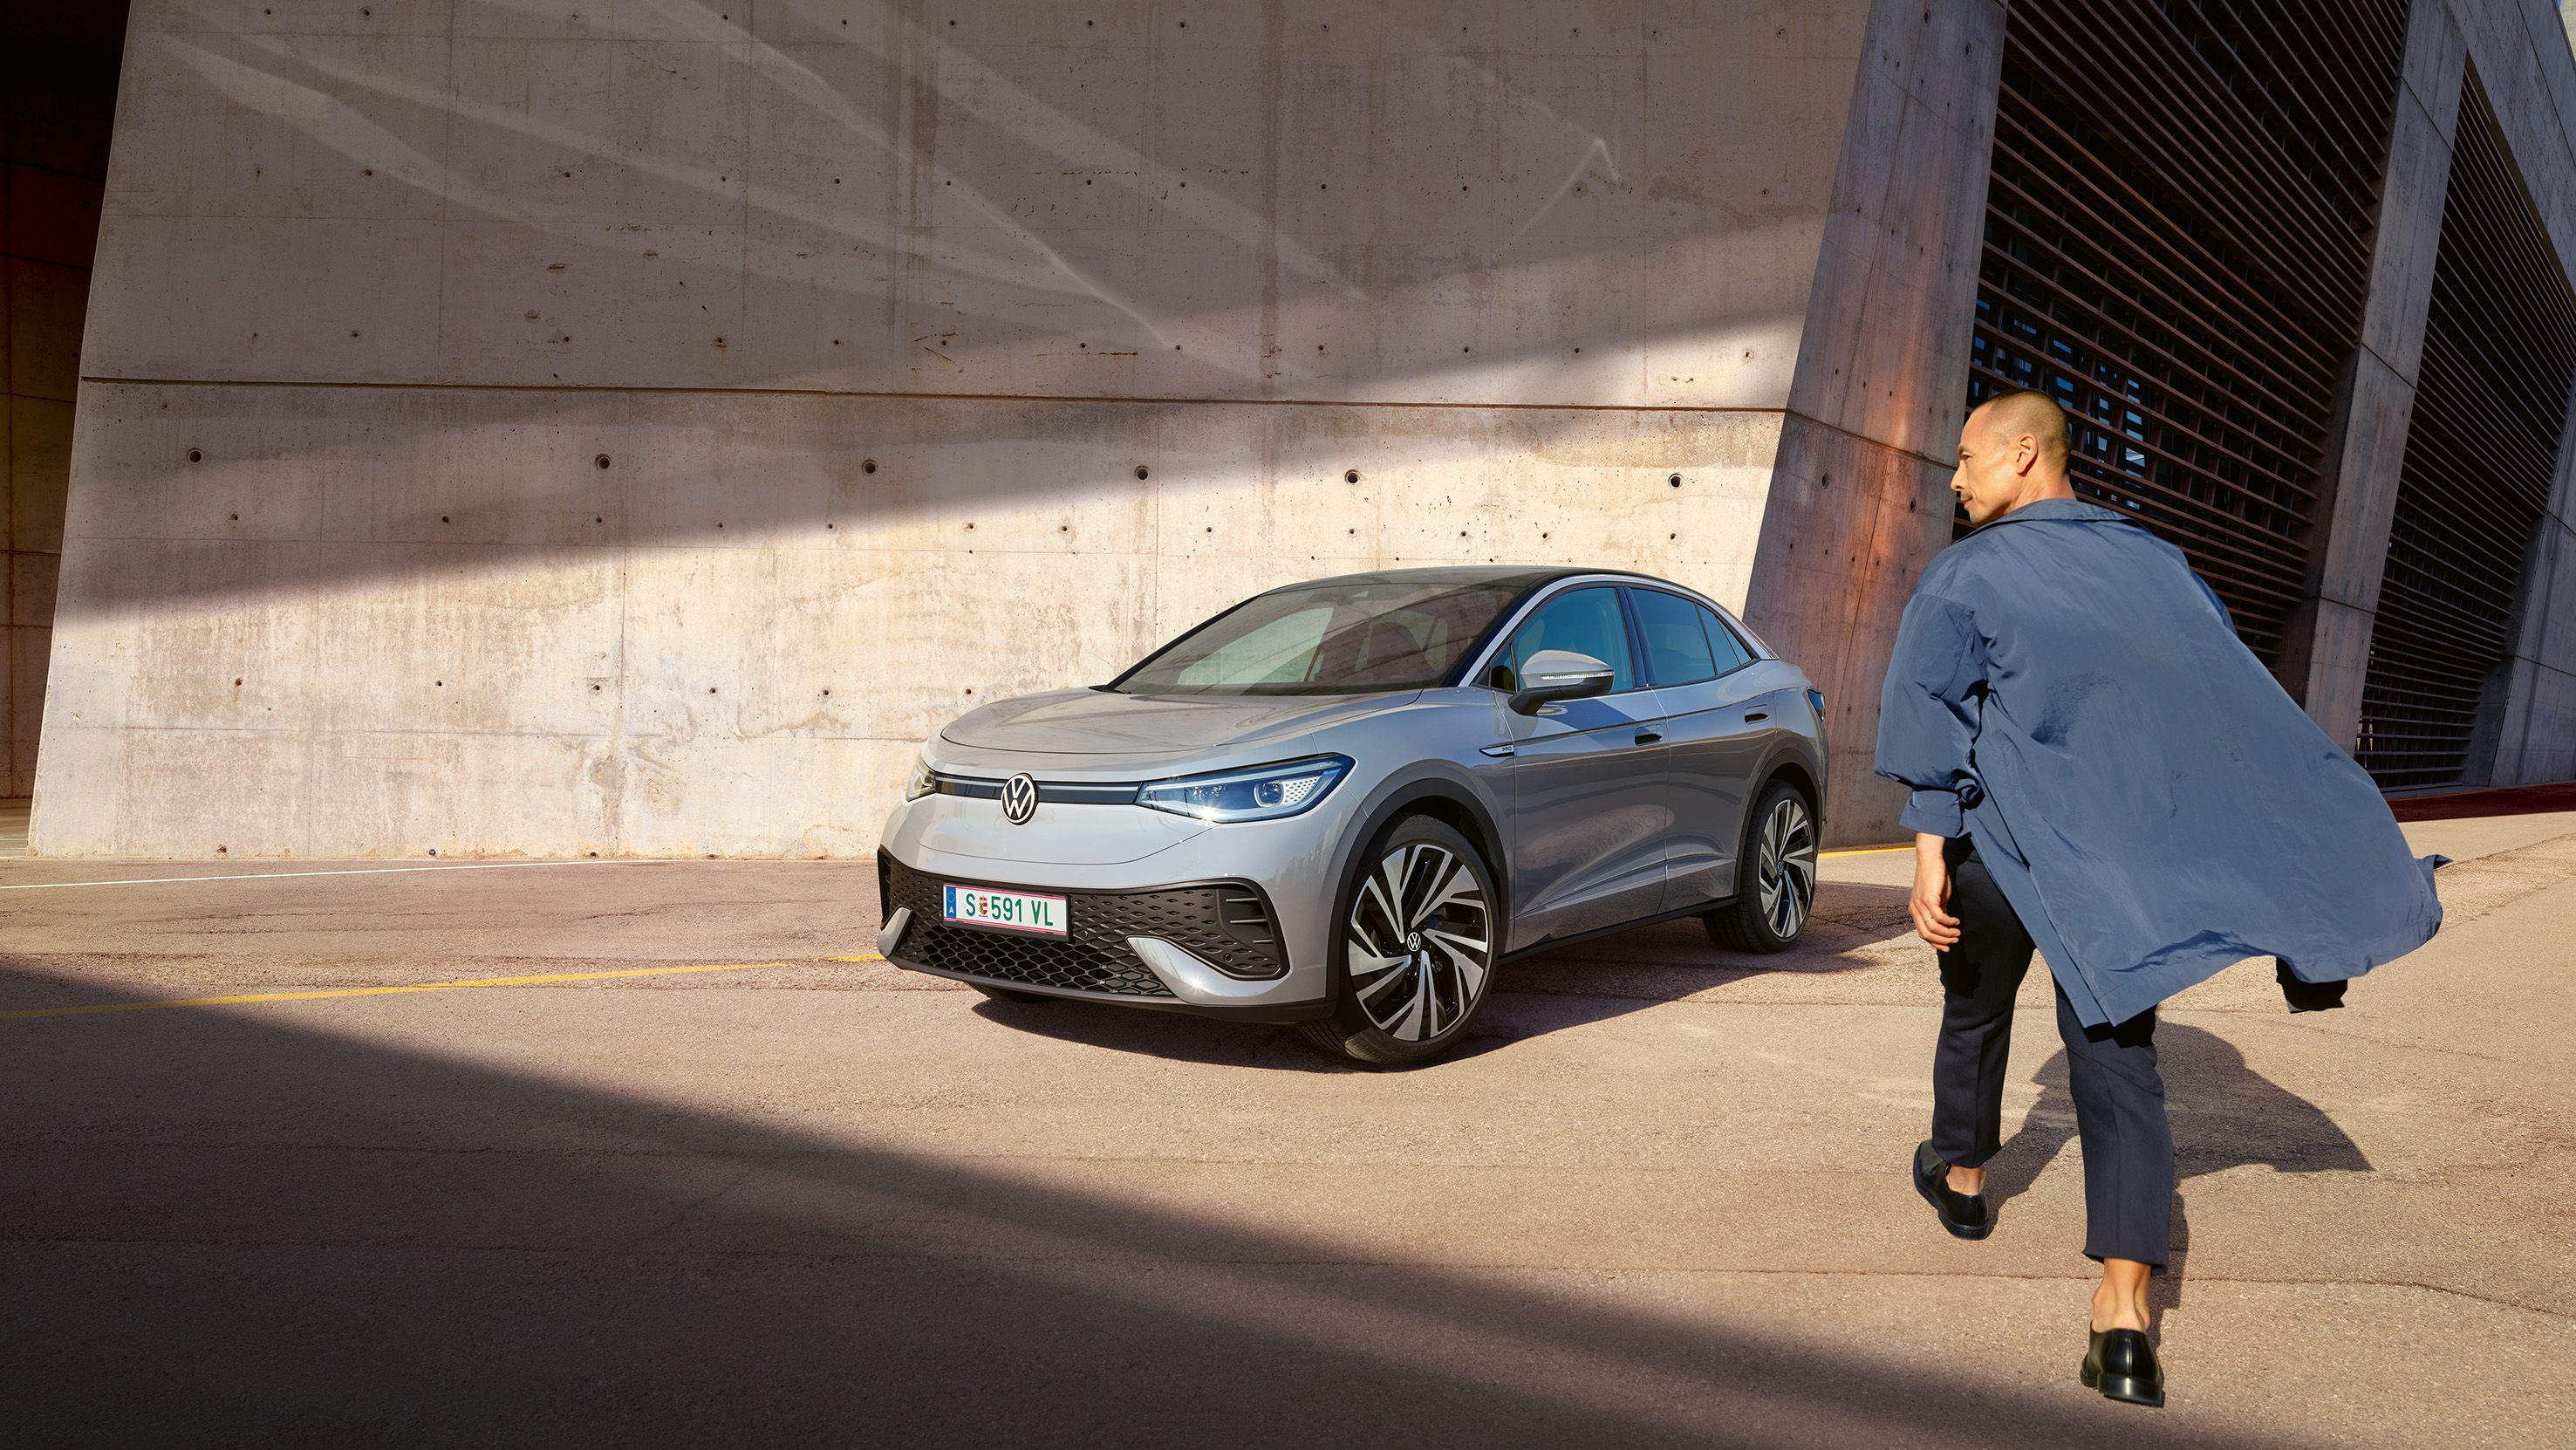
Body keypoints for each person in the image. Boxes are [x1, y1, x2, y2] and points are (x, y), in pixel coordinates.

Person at [1873, 390, 2450, 1408]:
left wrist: (1927, 850)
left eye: (1962, 458)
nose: (1952, 479)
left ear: (2021, 455)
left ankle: (1961, 1183)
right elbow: (2221, 704)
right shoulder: (2159, 567)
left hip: (1996, 853)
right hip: (2115, 874)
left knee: (1973, 1009)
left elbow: (1934, 712)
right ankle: (2125, 1317)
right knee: (2119, 1067)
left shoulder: (1965, 572)